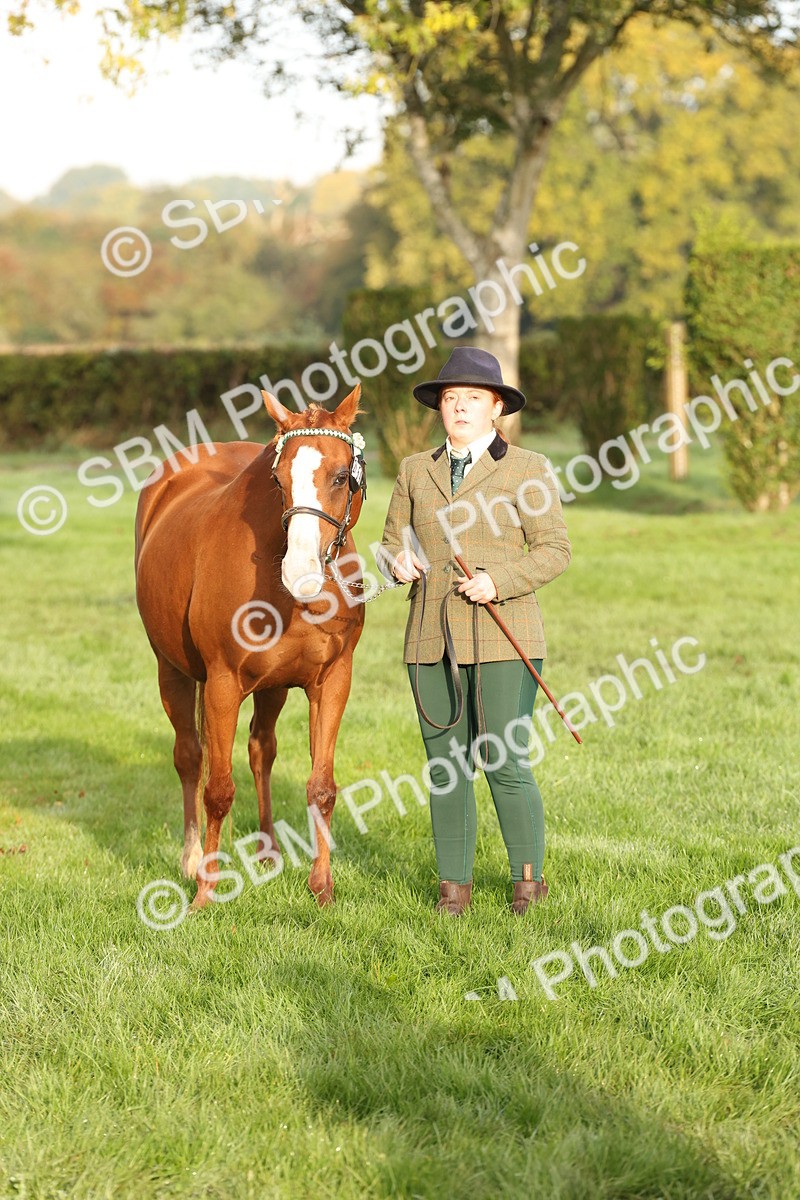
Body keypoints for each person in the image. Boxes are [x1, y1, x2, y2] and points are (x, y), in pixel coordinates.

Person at [379, 346, 572, 916]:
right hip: (428, 638)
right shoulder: (416, 470)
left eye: (472, 399)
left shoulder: (528, 468)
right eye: (450, 398)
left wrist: (499, 580)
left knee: (504, 761)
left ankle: (527, 885)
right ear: (440, 407)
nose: (460, 408)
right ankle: (453, 891)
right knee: (446, 767)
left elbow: (555, 550)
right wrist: (396, 560)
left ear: (496, 408)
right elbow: (395, 541)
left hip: (503, 633)